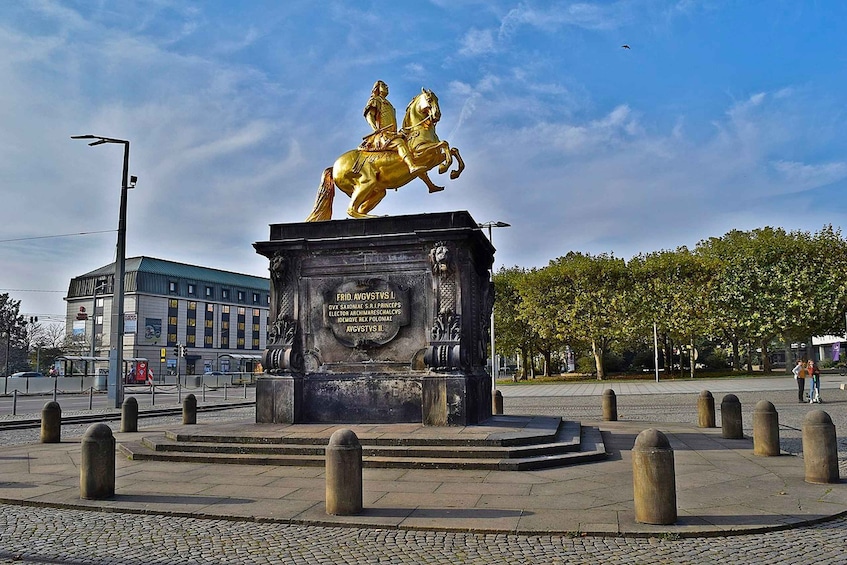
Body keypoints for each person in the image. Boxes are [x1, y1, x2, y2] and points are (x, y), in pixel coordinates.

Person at [361, 80, 426, 174]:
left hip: (392, 134)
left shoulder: (388, 103)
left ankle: (429, 183)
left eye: (387, 85)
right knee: (400, 143)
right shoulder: (375, 100)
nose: (387, 87)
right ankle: (411, 167)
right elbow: (369, 116)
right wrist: (376, 129)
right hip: (383, 135)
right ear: (377, 89)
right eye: (383, 85)